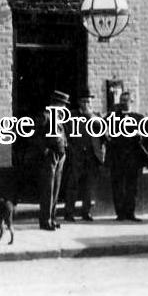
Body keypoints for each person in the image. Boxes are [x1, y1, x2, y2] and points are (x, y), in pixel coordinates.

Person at [62, 92, 105, 222]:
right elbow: (65, 133)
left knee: (89, 185)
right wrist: (69, 149)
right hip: (77, 155)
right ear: (79, 103)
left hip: (92, 155)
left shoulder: (96, 116)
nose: (86, 104)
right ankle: (69, 212)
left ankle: (86, 212)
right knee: (73, 184)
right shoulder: (72, 116)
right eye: (84, 101)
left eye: (88, 101)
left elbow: (104, 133)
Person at [107, 90, 147, 221]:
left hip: (133, 159)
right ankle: (120, 213)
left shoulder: (139, 118)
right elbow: (102, 130)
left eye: (127, 100)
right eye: (122, 100)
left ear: (132, 101)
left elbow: (146, 136)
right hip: (117, 157)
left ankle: (131, 212)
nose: (124, 103)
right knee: (118, 186)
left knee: (132, 187)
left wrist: (140, 136)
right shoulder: (112, 116)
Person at [38, 89, 70, 231]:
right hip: (50, 156)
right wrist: (44, 150)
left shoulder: (59, 117)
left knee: (56, 187)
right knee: (48, 188)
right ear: (56, 104)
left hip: (60, 155)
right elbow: (35, 135)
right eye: (62, 104)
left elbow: (62, 134)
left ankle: (52, 217)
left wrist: (65, 145)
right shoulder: (45, 116)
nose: (64, 107)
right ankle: (45, 220)